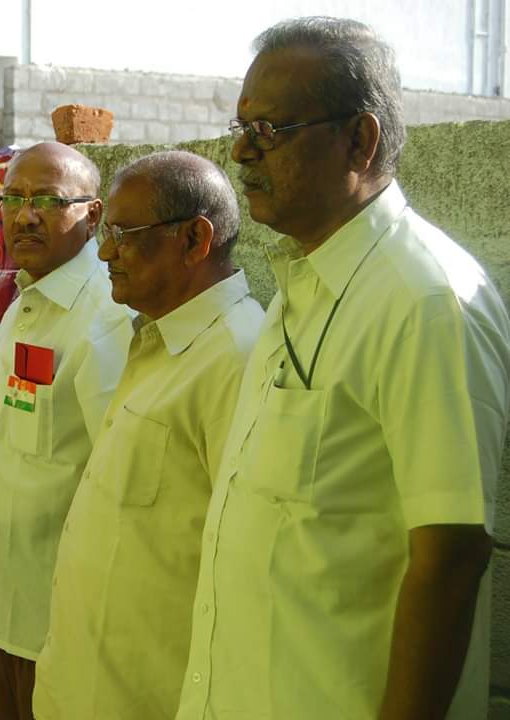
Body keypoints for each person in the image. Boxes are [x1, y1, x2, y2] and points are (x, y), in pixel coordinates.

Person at [176, 17, 510, 720]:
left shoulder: (424, 300)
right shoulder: (301, 282)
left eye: (268, 130)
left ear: (360, 140)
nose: (240, 151)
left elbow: (451, 557)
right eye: (241, 127)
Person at [32, 151, 264, 720]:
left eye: (124, 235)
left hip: (149, 697)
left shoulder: (236, 357)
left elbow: (246, 570)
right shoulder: (155, 339)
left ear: (194, 240)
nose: (104, 253)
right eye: (107, 234)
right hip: (85, 683)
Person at [0, 142, 133, 720]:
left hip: (59, 621)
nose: (25, 216)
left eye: (49, 201)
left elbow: (115, 484)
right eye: (14, 198)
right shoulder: (27, 303)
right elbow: (7, 464)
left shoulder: (105, 316)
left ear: (93, 215)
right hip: (1, 608)